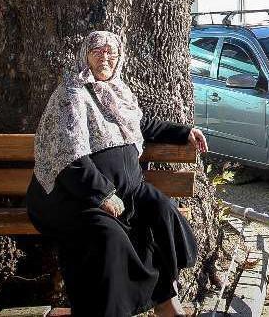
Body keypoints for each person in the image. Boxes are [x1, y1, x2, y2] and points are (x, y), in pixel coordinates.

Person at [26, 31, 208, 317]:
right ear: (84, 55)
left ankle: (164, 300)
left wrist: (184, 132)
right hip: (79, 197)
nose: (105, 57)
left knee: (162, 212)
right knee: (109, 237)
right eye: (97, 51)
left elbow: (140, 124)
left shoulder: (118, 91)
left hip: (127, 190)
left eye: (111, 52)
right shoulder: (70, 95)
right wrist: (102, 194)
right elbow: (68, 157)